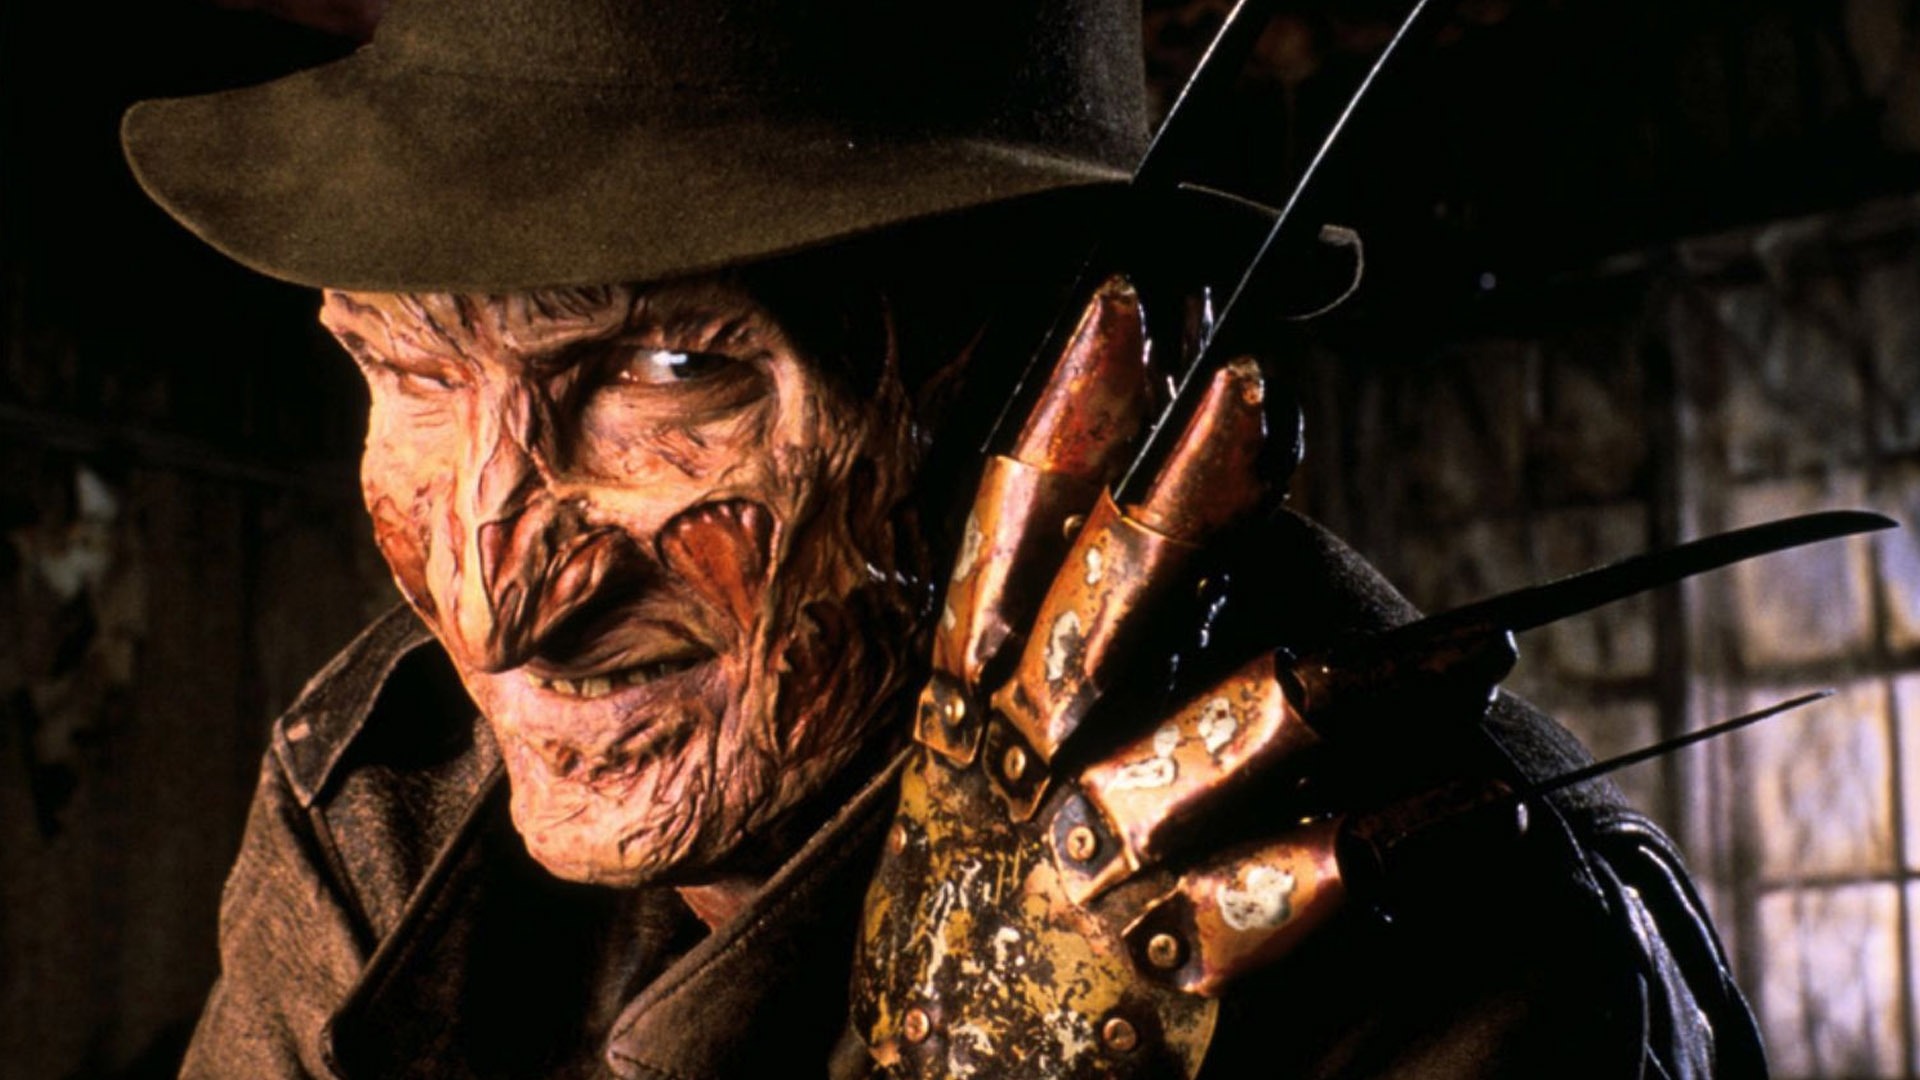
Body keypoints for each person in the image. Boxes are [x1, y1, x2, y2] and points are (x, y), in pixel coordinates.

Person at [122, 0, 1766, 1076]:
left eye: (666, 373)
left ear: (1073, 384)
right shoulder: (403, 801)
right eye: (412, 375)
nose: (493, 614)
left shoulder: (1434, 922)